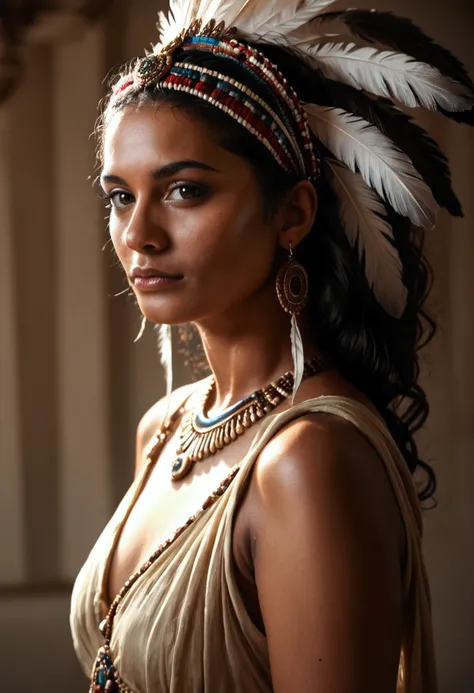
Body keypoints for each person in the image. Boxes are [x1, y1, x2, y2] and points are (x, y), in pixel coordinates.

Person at [70, 2, 474, 692]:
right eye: (119, 196)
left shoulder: (306, 461)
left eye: (184, 190)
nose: (139, 234)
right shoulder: (165, 427)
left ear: (293, 212)